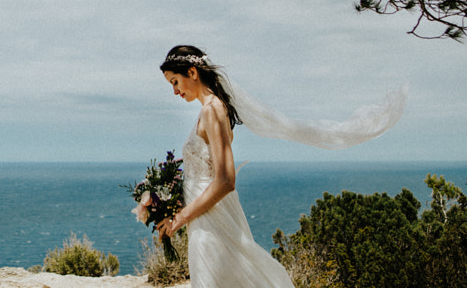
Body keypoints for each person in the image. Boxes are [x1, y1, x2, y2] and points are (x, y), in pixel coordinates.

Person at [155, 44, 406, 288]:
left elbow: (226, 180)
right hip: (204, 216)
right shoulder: (209, 110)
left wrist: (180, 217)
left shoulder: (212, 110)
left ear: (192, 72)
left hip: (212, 219)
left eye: (175, 82)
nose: (175, 92)